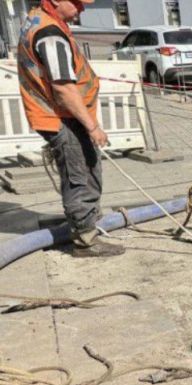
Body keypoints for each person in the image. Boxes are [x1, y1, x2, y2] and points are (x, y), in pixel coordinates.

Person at [17, 0, 124, 257]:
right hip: (63, 117)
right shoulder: (49, 35)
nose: (82, 9)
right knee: (81, 175)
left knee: (81, 169)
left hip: (60, 114)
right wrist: (93, 126)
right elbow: (64, 89)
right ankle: (85, 239)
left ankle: (81, 221)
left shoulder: (42, 20)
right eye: (77, 3)